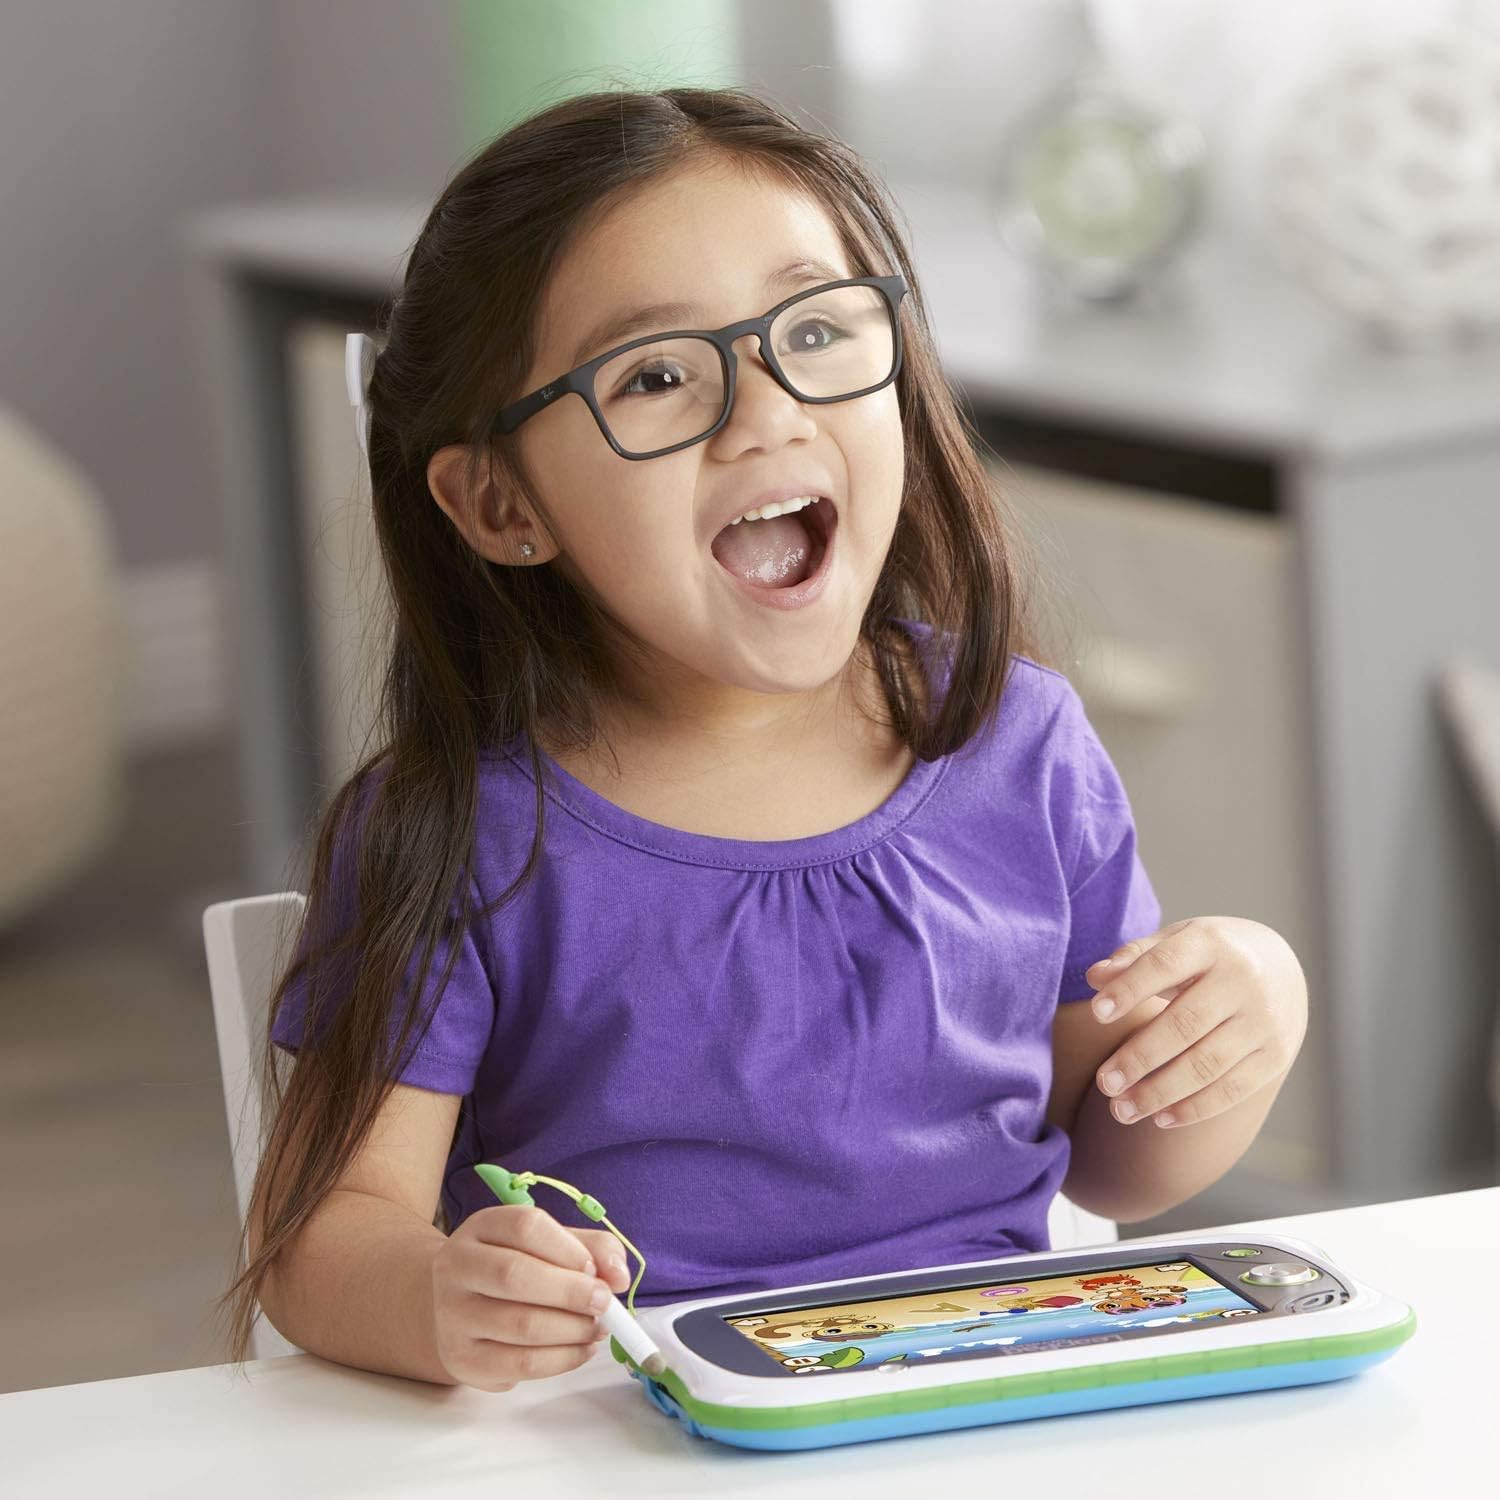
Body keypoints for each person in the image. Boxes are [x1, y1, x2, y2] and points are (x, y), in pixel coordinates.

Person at [216, 86, 1309, 1392]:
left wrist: (1249, 1014)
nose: (767, 414)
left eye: (816, 331)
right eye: (659, 375)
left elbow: (1115, 1167)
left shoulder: (1024, 746)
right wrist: (440, 1292)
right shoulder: (459, 834)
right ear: (502, 501)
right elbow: (323, 1240)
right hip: (635, 1438)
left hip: (994, 1404)